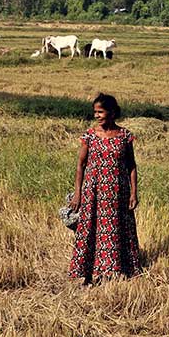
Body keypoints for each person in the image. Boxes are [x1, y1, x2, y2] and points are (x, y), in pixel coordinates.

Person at [68, 93, 142, 284]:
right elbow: (81, 165)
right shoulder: (90, 136)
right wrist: (78, 193)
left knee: (119, 230)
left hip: (118, 192)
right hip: (93, 192)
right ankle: (88, 275)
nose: (97, 116)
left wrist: (134, 192)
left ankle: (120, 271)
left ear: (111, 112)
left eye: (100, 112)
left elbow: (131, 166)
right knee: (91, 230)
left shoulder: (125, 136)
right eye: (95, 112)